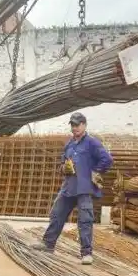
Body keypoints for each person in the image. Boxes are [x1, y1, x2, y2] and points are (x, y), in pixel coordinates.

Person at [31, 112, 113, 265]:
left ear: (84, 125)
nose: (74, 128)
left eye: (77, 125)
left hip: (84, 188)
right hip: (69, 187)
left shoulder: (92, 143)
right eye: (72, 125)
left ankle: (86, 253)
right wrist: (64, 168)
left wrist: (96, 171)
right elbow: (62, 163)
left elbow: (107, 159)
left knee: (85, 220)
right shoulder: (69, 144)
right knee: (57, 214)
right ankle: (48, 244)